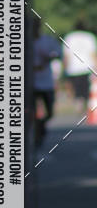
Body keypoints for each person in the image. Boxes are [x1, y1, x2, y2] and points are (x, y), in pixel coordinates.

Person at [32, 18, 61, 147]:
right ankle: (35, 132)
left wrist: (50, 57)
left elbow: (58, 52)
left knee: (49, 112)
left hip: (46, 82)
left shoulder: (47, 40)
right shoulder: (24, 41)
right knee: (31, 111)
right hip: (31, 84)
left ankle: (41, 126)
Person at [62, 21, 97, 113]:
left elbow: (67, 55)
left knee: (76, 86)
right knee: (86, 86)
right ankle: (84, 102)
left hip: (73, 67)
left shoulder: (69, 37)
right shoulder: (90, 37)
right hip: (87, 66)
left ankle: (79, 101)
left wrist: (65, 67)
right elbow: (93, 54)